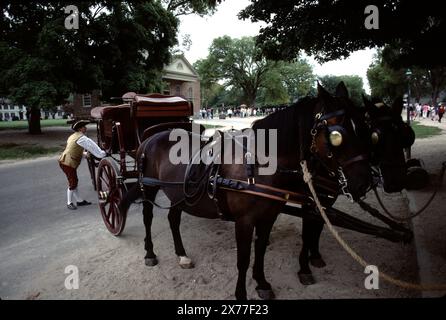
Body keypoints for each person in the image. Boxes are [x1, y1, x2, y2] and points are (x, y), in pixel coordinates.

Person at [59, 120, 106, 210]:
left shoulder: (73, 136)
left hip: (65, 161)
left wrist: (84, 154)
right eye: (84, 127)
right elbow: (92, 147)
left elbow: (73, 149)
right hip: (68, 163)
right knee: (73, 182)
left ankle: (79, 201)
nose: (86, 128)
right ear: (80, 128)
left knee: (74, 181)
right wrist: (102, 154)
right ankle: (69, 203)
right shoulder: (82, 138)